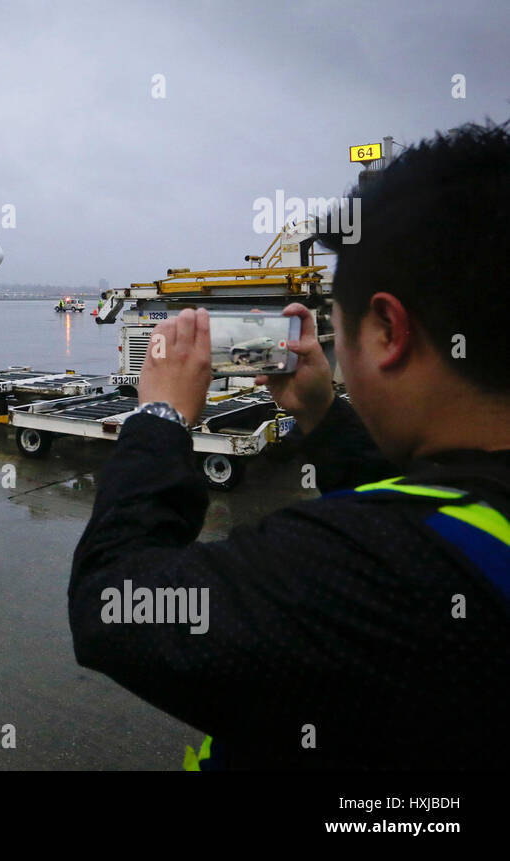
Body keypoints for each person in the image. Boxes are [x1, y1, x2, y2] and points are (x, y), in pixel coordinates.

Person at [67, 122, 510, 771]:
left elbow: (111, 602)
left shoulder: (367, 569)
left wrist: (160, 414)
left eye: (340, 331)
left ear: (387, 330)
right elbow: (435, 500)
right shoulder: (463, 524)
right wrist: (323, 414)